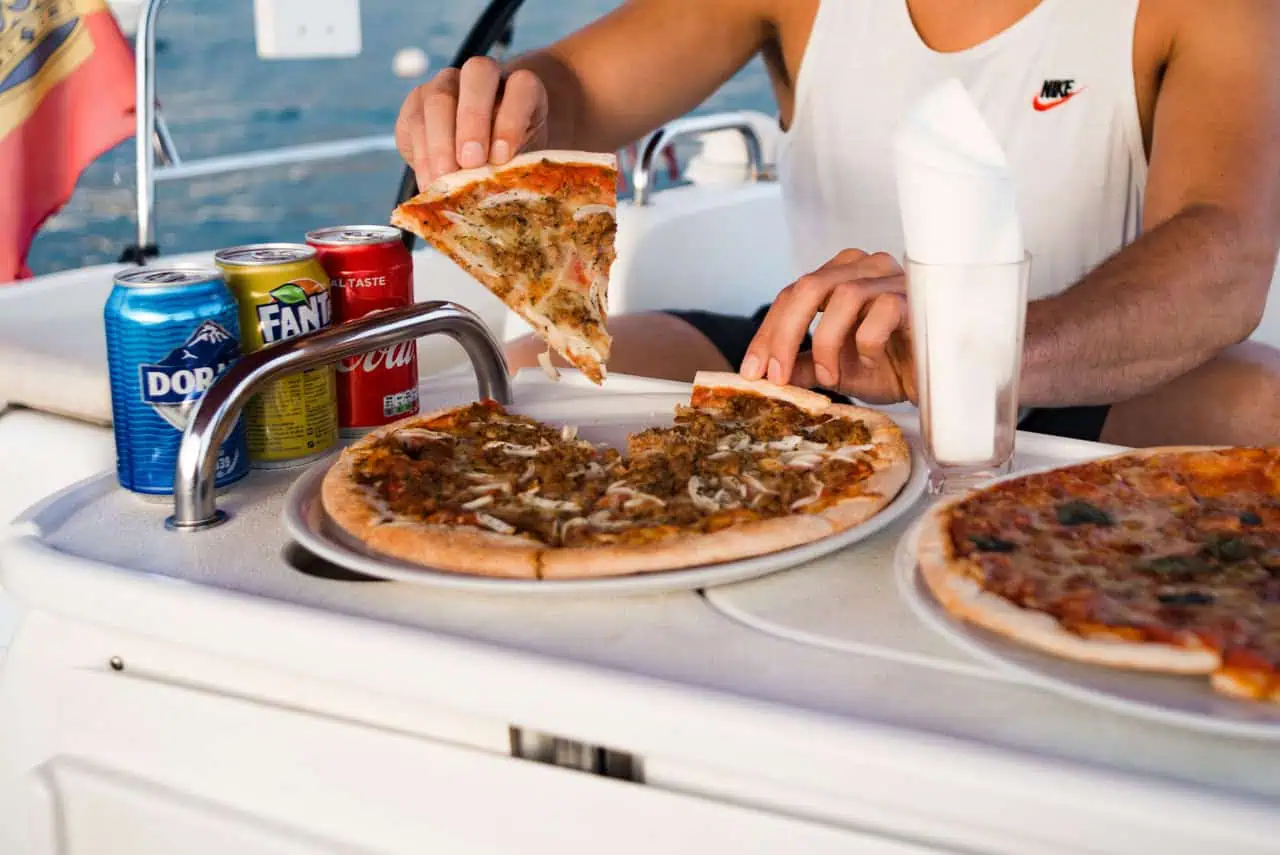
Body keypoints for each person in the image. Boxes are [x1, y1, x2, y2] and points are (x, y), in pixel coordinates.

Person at [395, 0, 1280, 447]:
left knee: (1263, 406)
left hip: (1076, 368)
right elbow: (573, 95)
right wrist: (502, 107)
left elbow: (1223, 253)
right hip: (813, 356)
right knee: (525, 376)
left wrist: (967, 345)